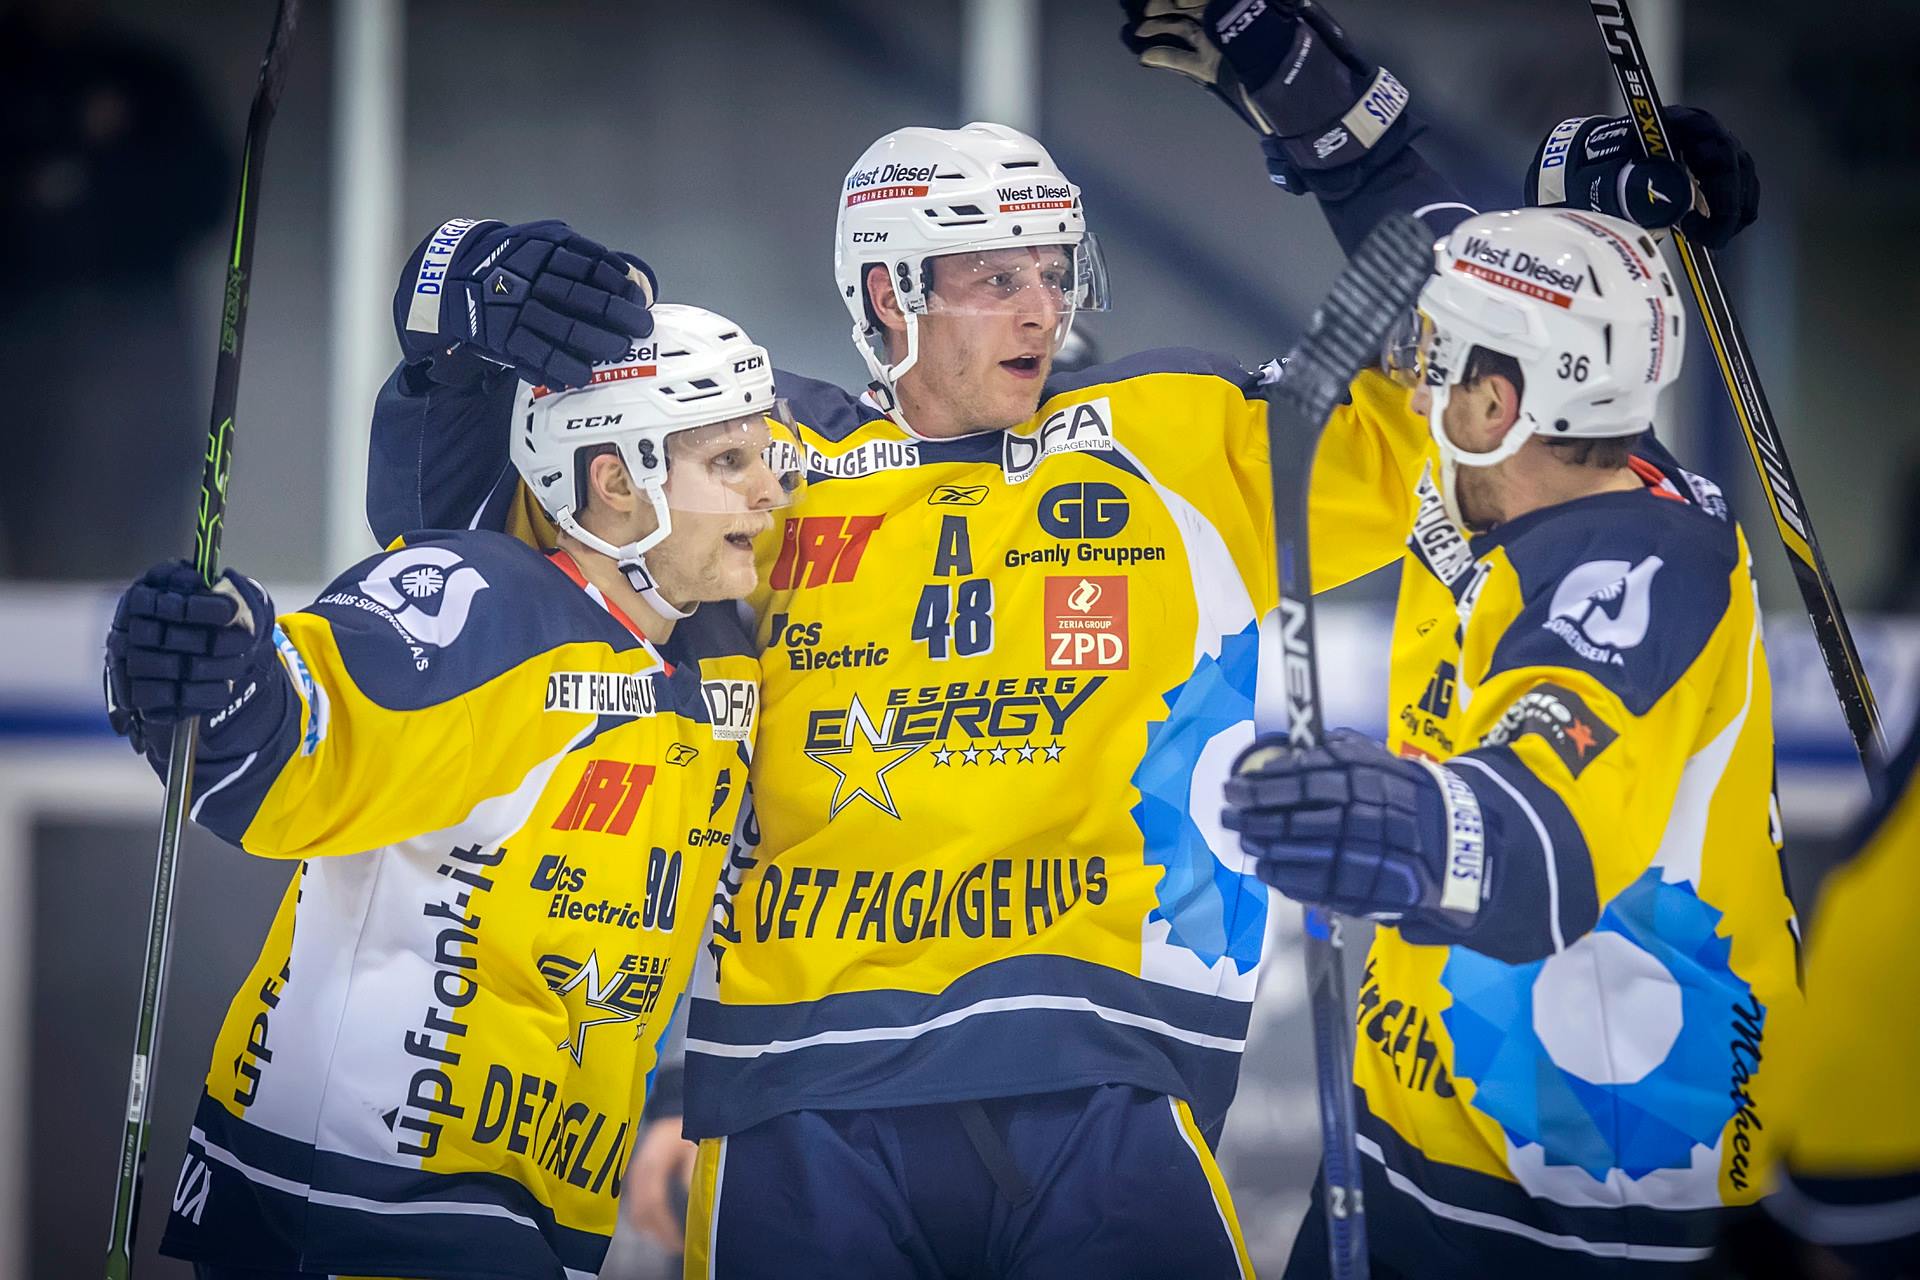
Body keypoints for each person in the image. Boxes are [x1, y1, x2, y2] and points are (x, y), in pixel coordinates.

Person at [363, 7, 1758, 1274]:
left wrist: (1358, 123)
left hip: (1110, 1082)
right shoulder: (759, 450)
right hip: (801, 1093)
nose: (1043, 305)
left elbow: (1471, 343)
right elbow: (474, 550)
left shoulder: (1178, 442)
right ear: (892, 297)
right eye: (993, 276)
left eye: (1051, 267)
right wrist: (454, 338)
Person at [103, 301, 802, 1280]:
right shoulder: (486, 600)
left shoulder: (715, 661)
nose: (771, 492)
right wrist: (213, 670)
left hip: (536, 1203)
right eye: (729, 462)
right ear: (615, 481)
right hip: (368, 1188)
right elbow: (303, 736)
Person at [1223, 206, 1799, 1277]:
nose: (1411, 371)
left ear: (1494, 404)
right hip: (1409, 1139)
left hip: (1606, 1188)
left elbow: (1539, 851)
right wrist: (1314, 103)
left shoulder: (1642, 575)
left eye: (1436, 356)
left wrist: (1399, 823)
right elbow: (1493, 257)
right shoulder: (1510, 483)